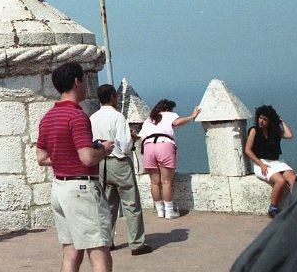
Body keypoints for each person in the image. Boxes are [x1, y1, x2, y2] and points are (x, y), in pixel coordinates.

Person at [36, 62, 115, 272]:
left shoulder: (47, 118)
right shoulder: (77, 116)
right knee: (99, 252)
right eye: (84, 80)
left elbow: (42, 158)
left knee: (71, 252)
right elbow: (88, 158)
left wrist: (68, 156)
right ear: (77, 81)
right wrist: (104, 150)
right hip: (82, 190)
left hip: (59, 189)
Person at [89, 84, 151, 256]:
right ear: (111, 96)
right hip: (119, 162)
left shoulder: (93, 118)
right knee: (131, 203)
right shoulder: (118, 117)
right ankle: (136, 244)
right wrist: (132, 140)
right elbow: (124, 144)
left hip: (101, 163)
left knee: (108, 204)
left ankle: (107, 241)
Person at [136, 99, 200, 219]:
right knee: (166, 181)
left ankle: (160, 211)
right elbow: (177, 122)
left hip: (148, 146)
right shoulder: (169, 114)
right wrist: (192, 116)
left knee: (154, 182)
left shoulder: (149, 119)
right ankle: (169, 212)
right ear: (169, 109)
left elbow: (140, 137)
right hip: (164, 144)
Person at [244, 105, 296, 218]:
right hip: (261, 163)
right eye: (260, 118)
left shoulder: (274, 132)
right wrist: (261, 164)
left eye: (265, 119)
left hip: (276, 162)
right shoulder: (254, 130)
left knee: (293, 179)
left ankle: (295, 206)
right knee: (281, 181)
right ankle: (272, 208)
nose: (261, 121)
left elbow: (290, 135)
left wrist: (280, 120)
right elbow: (247, 150)